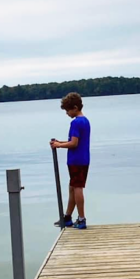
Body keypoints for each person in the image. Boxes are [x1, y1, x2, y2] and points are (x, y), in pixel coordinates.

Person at [50, 91, 91, 229]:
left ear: (75, 108)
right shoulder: (85, 121)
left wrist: (59, 146)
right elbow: (74, 141)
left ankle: (81, 218)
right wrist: (60, 142)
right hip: (82, 159)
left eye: (68, 110)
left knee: (77, 188)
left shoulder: (76, 123)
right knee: (72, 188)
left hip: (77, 160)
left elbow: (74, 143)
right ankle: (67, 217)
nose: (67, 113)